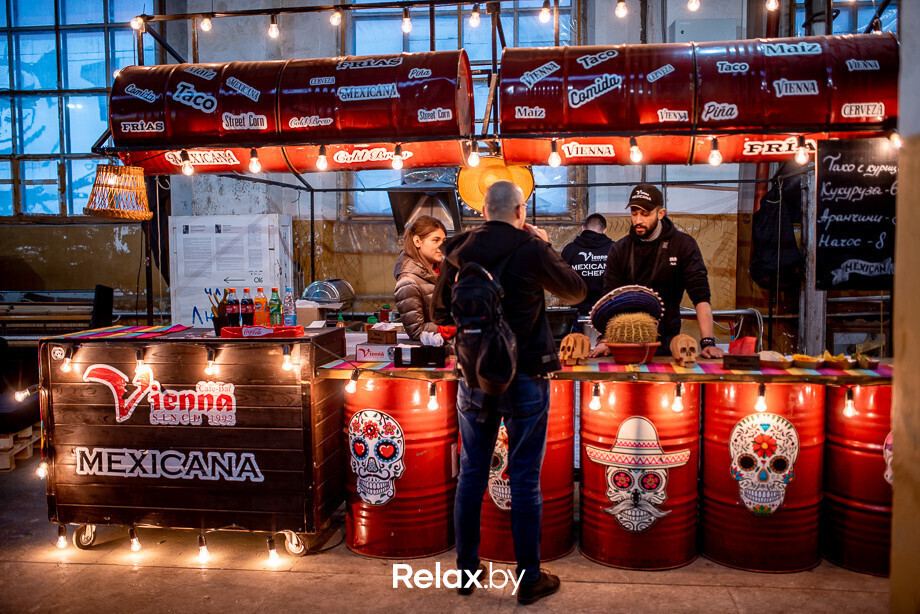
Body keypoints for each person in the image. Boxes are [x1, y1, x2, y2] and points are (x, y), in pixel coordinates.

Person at [432, 181, 586, 605]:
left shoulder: (458, 250)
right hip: (527, 376)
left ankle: (467, 571)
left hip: (474, 378)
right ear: (521, 211)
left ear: (483, 211)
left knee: (471, 475)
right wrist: (544, 244)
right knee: (524, 478)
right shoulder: (532, 248)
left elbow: (438, 311)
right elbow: (576, 291)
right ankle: (529, 579)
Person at [595, 183, 724, 358]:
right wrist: (604, 340)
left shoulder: (683, 245)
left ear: (661, 213)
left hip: (666, 345)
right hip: (625, 344)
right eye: (634, 213)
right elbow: (609, 298)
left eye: (645, 214)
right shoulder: (620, 249)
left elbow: (701, 296)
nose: (638, 220)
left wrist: (707, 342)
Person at [393, 216, 455, 340]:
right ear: (417, 241)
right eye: (435, 240)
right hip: (431, 349)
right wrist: (456, 328)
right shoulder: (408, 282)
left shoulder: (443, 272)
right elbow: (416, 331)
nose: (442, 246)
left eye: (443, 241)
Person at [561, 213, 614, 316]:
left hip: (576, 312)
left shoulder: (569, 250)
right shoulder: (614, 249)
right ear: (604, 230)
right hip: (606, 311)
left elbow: (561, 281)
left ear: (583, 228)